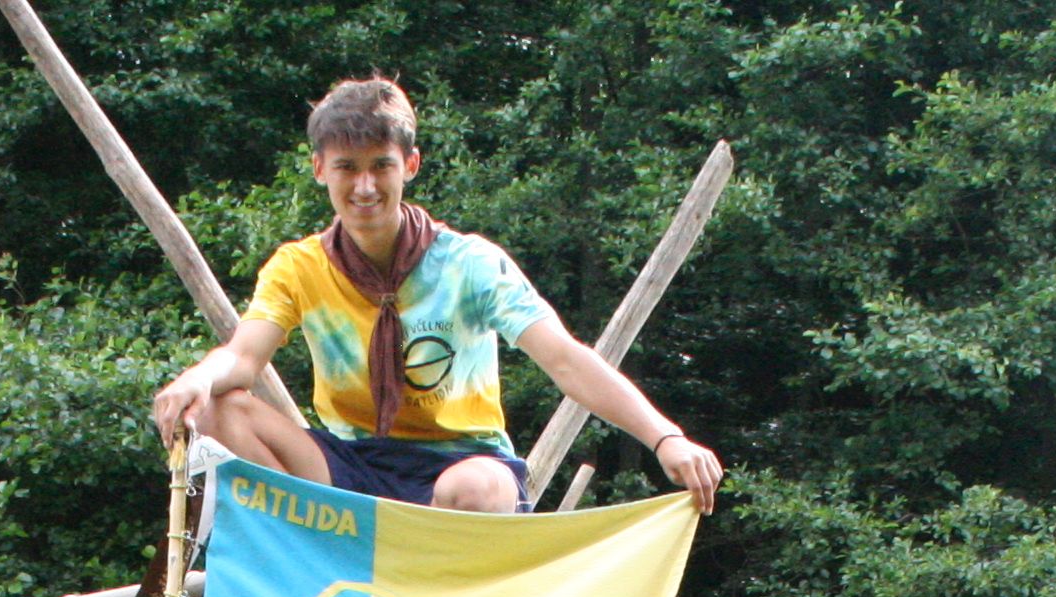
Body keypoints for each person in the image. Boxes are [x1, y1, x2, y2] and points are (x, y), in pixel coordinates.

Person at [149, 76, 725, 518]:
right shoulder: (299, 266)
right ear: (320, 168)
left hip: (462, 464)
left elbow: (565, 360)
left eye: (382, 166)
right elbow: (243, 359)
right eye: (347, 167)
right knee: (218, 409)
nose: (365, 186)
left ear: (411, 166)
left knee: (472, 488)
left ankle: (442, 589)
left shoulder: (468, 263)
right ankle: (315, 550)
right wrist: (196, 379)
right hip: (351, 469)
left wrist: (663, 436)